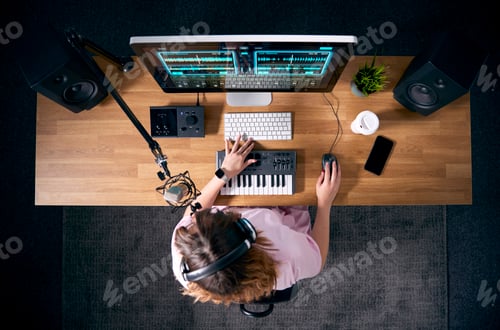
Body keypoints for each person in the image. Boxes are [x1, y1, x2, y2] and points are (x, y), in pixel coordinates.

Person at [171, 135, 341, 305]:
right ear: (245, 228)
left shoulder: (185, 255)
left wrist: (224, 174)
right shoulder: (290, 257)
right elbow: (318, 256)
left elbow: (193, 212)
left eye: (195, 223)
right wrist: (325, 203)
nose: (194, 217)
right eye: (210, 218)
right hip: (286, 212)